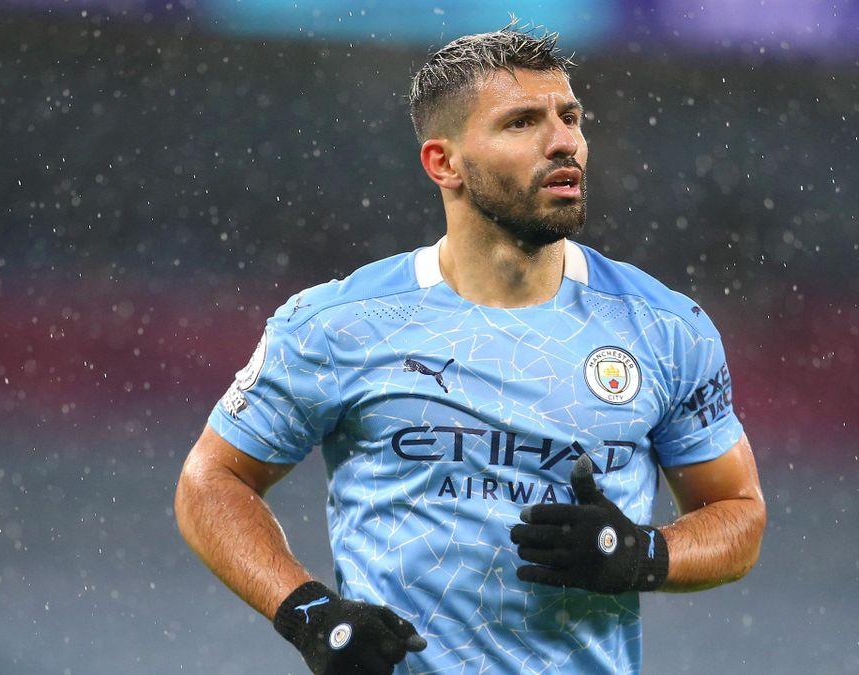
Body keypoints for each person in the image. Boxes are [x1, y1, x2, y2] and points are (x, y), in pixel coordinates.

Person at [175, 21, 766, 674]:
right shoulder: (339, 324)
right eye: (522, 123)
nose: (564, 142)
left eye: (570, 117)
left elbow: (737, 513)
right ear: (444, 163)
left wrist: (643, 554)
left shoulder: (665, 329)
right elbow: (212, 480)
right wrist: (308, 612)